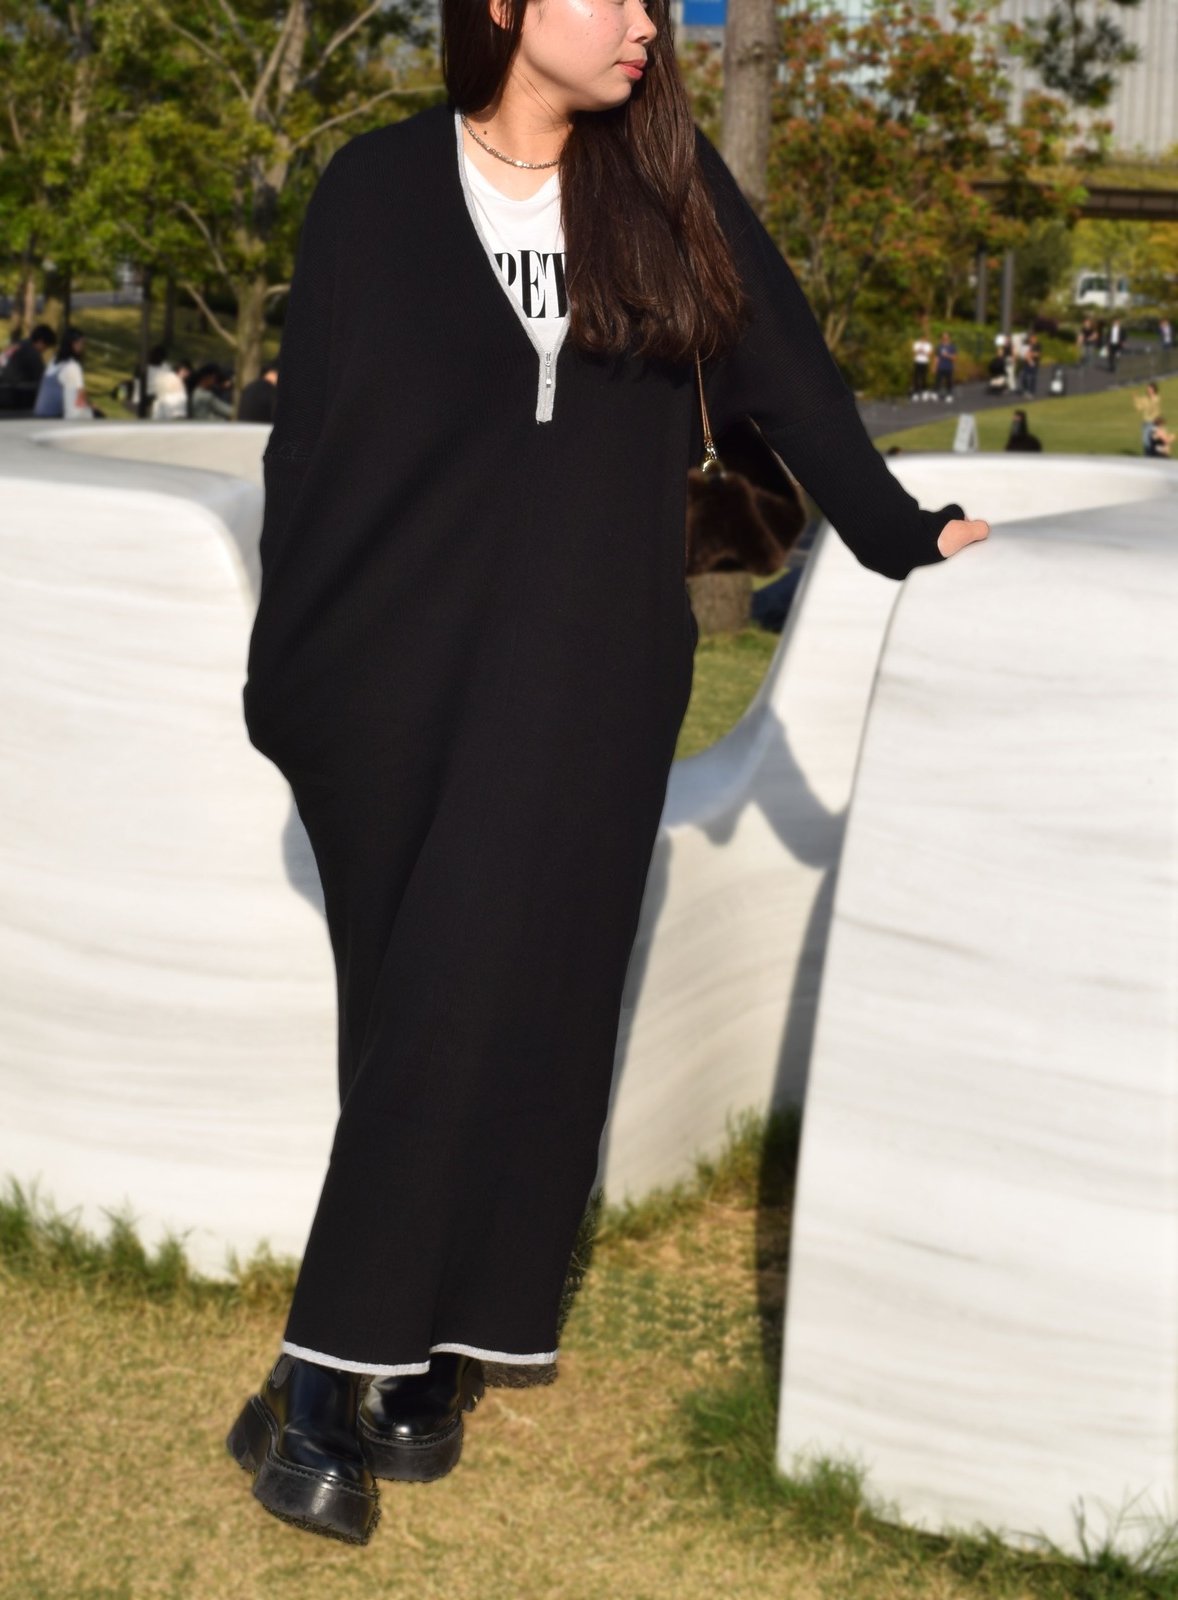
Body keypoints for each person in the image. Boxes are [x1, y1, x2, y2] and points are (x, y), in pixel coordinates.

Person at [227, 0, 991, 1548]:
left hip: (585, 679)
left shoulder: (668, 191)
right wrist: (286, 682)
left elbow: (794, 385)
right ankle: (401, 1359)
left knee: (522, 999)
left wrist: (906, 534)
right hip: (378, 680)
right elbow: (305, 450)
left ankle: (337, 1374)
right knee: (412, 1005)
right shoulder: (373, 189)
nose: (647, 23)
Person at [0, 323, 57, 410]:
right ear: (41, 342)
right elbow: (42, 378)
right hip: (7, 392)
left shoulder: (17, 344)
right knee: (43, 385)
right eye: (46, 347)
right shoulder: (32, 353)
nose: (45, 350)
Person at [33, 325, 97, 419]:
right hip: (52, 416)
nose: (83, 347)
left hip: (39, 413)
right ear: (73, 344)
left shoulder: (54, 360)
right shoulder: (72, 366)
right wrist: (92, 406)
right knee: (97, 415)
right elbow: (81, 394)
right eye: (82, 343)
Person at [934, 328, 957, 401]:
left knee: (949, 382)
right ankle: (937, 394)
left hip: (948, 366)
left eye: (946, 336)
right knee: (938, 381)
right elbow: (937, 357)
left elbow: (954, 357)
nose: (944, 337)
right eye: (943, 336)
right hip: (940, 366)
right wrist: (935, 366)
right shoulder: (940, 346)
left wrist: (947, 355)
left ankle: (949, 394)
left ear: (948, 337)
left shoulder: (952, 346)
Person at [911, 331, 932, 401]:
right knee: (916, 378)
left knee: (924, 377)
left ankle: (924, 392)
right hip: (917, 362)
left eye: (924, 338)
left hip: (925, 362)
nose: (923, 339)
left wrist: (924, 351)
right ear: (920, 338)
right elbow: (914, 353)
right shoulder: (916, 344)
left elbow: (929, 354)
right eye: (922, 338)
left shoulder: (928, 345)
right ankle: (915, 393)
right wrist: (919, 349)